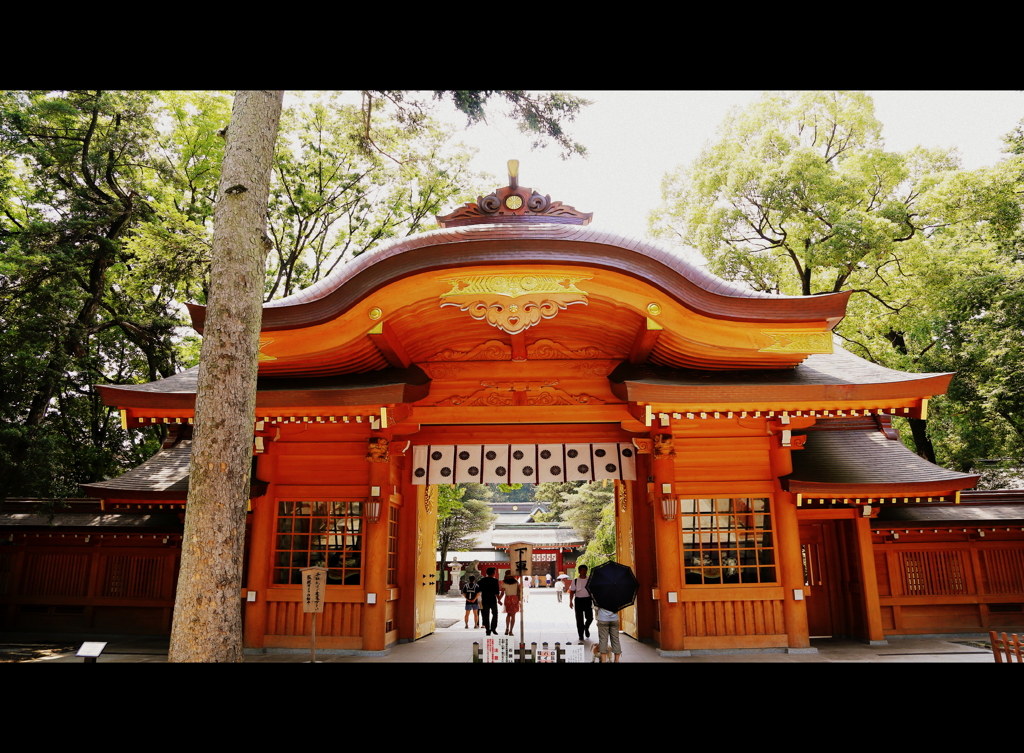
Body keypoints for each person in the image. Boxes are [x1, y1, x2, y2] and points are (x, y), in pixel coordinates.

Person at [568, 565, 593, 641]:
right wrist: (570, 601)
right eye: (582, 570)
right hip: (578, 600)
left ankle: (586, 627)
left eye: (585, 570)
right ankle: (581, 635)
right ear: (579, 571)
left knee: (590, 617)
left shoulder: (590, 579)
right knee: (579, 619)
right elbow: (572, 591)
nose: (583, 571)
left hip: (588, 600)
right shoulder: (575, 580)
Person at [478, 567, 501, 636]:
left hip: (484, 599)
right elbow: (497, 592)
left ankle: (487, 629)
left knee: (485, 615)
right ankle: (493, 628)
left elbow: (479, 591)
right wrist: (499, 600)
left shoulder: (482, 580)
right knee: (495, 614)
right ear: (493, 573)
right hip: (492, 599)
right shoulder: (495, 581)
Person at [501, 571, 521, 636]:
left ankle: (506, 629)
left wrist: (498, 599)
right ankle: (511, 631)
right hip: (515, 599)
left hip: (507, 598)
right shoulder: (516, 582)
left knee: (508, 614)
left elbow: (502, 593)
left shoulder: (504, 582)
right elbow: (520, 590)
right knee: (513, 615)